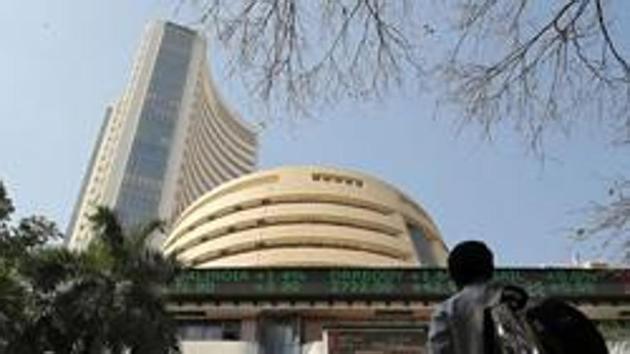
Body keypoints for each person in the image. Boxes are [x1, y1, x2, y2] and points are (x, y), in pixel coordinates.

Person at [428, 240, 500, 354]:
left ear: (454, 276)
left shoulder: (446, 310)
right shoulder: (515, 299)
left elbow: (438, 349)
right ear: (490, 268)